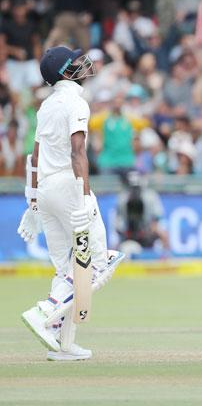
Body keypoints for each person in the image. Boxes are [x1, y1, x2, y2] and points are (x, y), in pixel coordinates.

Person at [17, 46, 125, 361]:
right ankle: (45, 312)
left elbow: (35, 157)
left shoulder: (47, 104)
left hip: (47, 189)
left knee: (67, 268)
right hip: (69, 187)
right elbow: (78, 151)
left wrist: (33, 200)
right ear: (66, 71)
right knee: (100, 261)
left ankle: (63, 344)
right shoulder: (75, 101)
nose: (83, 64)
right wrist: (85, 197)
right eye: (76, 62)